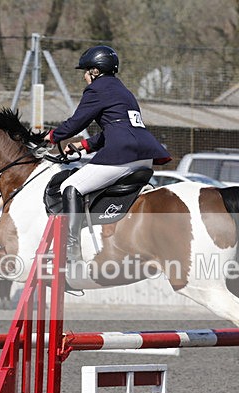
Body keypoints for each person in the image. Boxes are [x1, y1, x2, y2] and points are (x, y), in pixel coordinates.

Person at [46, 45, 171, 261]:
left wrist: (50, 136)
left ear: (95, 71)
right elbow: (118, 128)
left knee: (70, 186)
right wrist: (85, 146)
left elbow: (76, 122)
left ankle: (70, 249)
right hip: (145, 156)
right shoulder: (124, 91)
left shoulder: (97, 88)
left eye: (86, 71)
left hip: (122, 155)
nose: (84, 77)